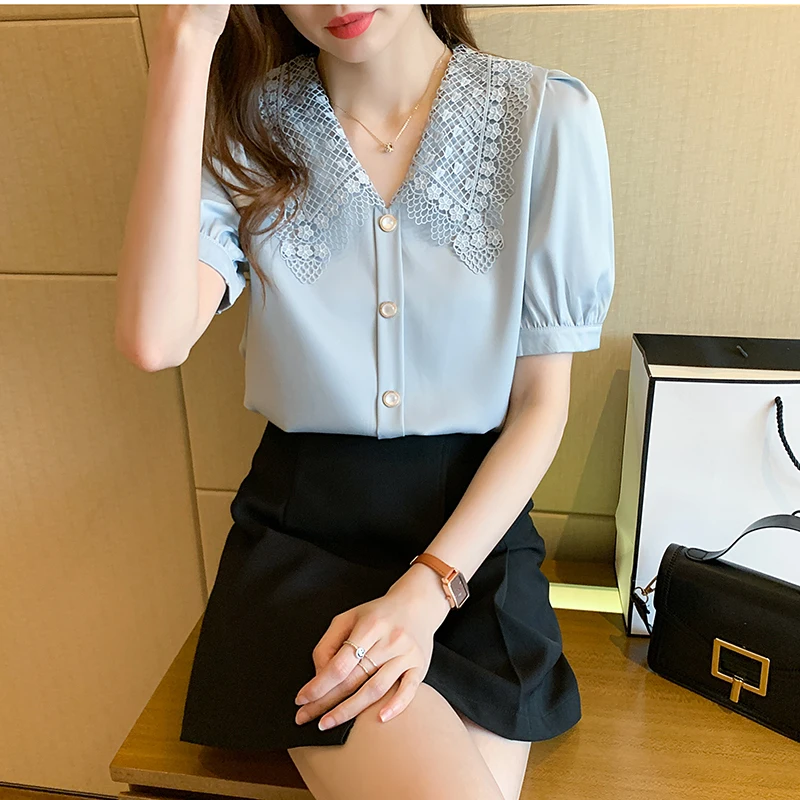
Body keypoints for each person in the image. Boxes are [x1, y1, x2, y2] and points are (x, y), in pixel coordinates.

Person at [114, 4, 615, 799]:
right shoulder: (246, 127)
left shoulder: (547, 116)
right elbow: (154, 338)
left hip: (472, 548)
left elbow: (539, 407)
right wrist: (185, 41)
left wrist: (428, 590)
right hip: (302, 545)